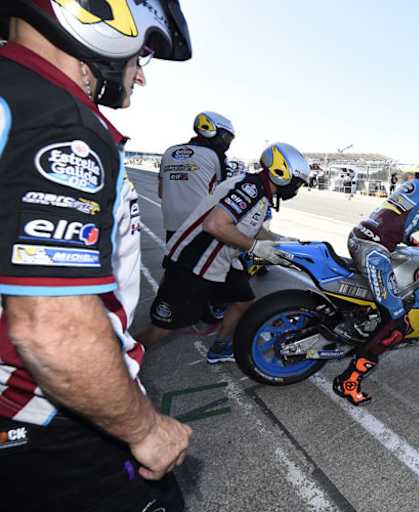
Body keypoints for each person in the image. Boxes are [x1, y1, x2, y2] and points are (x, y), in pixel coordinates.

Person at [0, 1, 193, 510]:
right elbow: (54, 327)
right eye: (143, 53)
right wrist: (145, 428)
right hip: (48, 417)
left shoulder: (15, 94)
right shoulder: (61, 122)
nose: (141, 76)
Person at [136, 143, 310, 363]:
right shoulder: (250, 189)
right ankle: (118, 360)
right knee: (161, 329)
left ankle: (219, 348)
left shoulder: (259, 191)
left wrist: (281, 242)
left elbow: (254, 229)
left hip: (219, 261)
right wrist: (255, 248)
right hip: (192, 262)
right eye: (297, 183)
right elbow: (215, 225)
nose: (296, 190)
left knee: (244, 300)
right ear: (282, 173)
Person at [333, 171, 419, 405]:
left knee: (383, 302)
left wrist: (415, 243)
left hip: (360, 236)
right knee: (396, 321)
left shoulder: (413, 186)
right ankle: (349, 381)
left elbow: (396, 219)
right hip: (373, 250)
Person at [159, 111, 236, 242]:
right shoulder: (216, 155)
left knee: (172, 259)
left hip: (171, 224)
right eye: (226, 137)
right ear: (213, 131)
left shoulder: (169, 152)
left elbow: (161, 192)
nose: (227, 143)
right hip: (199, 225)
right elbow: (224, 193)